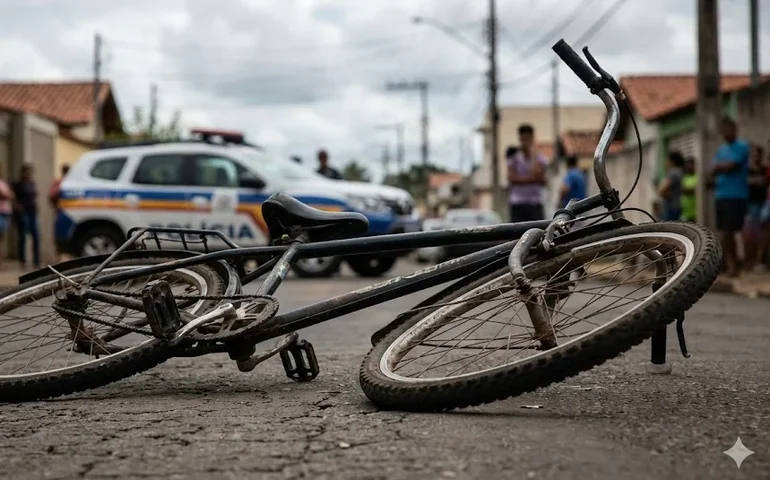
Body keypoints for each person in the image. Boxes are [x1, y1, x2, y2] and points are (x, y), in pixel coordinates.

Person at [710, 116, 750, 277]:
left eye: (728, 129)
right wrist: (720, 167)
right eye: (723, 130)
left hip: (736, 195)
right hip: (721, 195)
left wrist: (720, 167)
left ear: (734, 129)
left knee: (730, 231)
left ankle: (733, 265)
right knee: (724, 230)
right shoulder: (722, 150)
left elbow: (731, 166)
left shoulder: (742, 146)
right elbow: (714, 169)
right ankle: (730, 264)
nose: (725, 133)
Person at [507, 124, 548, 222]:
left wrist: (533, 155)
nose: (526, 141)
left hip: (535, 203)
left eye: (528, 138)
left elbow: (541, 178)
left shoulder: (539, 158)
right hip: (518, 203)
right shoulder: (514, 157)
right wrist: (532, 179)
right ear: (520, 138)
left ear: (532, 138)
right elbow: (511, 178)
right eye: (523, 138)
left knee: (537, 233)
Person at [12, 163, 40, 269]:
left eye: (30, 172)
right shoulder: (18, 184)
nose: (28, 174)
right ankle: (22, 260)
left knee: (36, 236)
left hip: (32, 211)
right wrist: (17, 206)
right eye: (27, 172)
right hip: (23, 212)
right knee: (23, 236)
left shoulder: (32, 183)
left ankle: (36, 261)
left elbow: (35, 195)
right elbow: (13, 197)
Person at [746, 145, 768, 271]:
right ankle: (750, 261)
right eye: (754, 154)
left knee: (763, 235)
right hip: (750, 205)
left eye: (758, 154)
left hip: (763, 204)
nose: (756, 157)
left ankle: (759, 261)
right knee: (750, 235)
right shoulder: (746, 171)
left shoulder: (765, 170)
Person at [658, 151, 685, 221]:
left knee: (667, 228)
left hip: (671, 206)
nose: (666, 163)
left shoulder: (673, 172)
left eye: (667, 160)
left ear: (672, 161)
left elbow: (663, 189)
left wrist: (662, 192)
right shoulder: (680, 172)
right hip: (676, 205)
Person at [0, 168, 14, 268]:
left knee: (2, 238)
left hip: (5, 212)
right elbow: (5, 195)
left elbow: (11, 195)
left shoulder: (3, 183)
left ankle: (1, 262)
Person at [680, 157, 698, 222]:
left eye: (690, 165)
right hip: (685, 212)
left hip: (695, 212)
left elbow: (693, 190)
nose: (688, 167)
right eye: (687, 165)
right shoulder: (685, 177)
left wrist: (686, 190)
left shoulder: (697, 177)